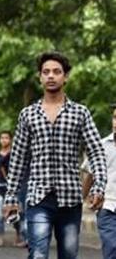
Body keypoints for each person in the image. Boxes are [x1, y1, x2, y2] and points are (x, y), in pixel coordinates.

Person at [4, 52, 107, 259]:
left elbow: (96, 151)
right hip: (38, 197)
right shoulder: (28, 115)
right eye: (46, 72)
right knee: (39, 254)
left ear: (65, 77)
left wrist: (98, 186)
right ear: (40, 77)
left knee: (68, 255)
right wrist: (11, 197)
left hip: (70, 199)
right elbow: (18, 159)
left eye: (57, 72)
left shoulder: (80, 113)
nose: (51, 76)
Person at [82, 105, 116, 259]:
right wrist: (79, 200)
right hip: (107, 205)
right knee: (111, 247)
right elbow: (89, 174)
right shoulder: (100, 146)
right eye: (115, 117)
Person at [0, 131, 22, 247]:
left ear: (10, 140)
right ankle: (1, 238)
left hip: (13, 190)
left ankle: (18, 237)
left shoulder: (16, 155)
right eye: (2, 138)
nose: (4, 140)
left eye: (6, 138)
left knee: (14, 215)